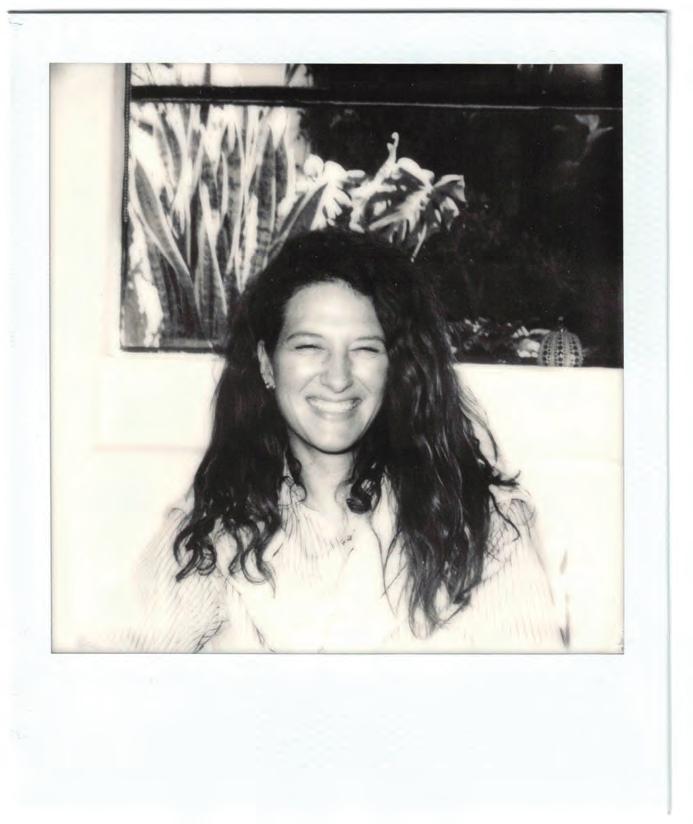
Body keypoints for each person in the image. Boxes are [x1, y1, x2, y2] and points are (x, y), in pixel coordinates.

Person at [108, 229, 567, 653]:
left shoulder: (483, 526)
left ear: (395, 367)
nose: (338, 378)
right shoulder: (214, 527)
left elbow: (538, 700)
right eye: (309, 346)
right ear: (267, 364)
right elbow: (112, 675)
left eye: (365, 348)